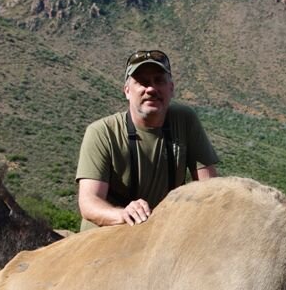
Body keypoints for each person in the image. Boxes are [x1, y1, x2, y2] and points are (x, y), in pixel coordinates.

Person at [76, 49, 219, 230]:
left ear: (171, 88)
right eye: (142, 82)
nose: (151, 89)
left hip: (158, 236)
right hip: (107, 238)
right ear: (127, 91)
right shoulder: (101, 132)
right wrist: (123, 213)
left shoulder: (185, 120)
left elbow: (211, 189)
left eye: (159, 80)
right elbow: (89, 204)